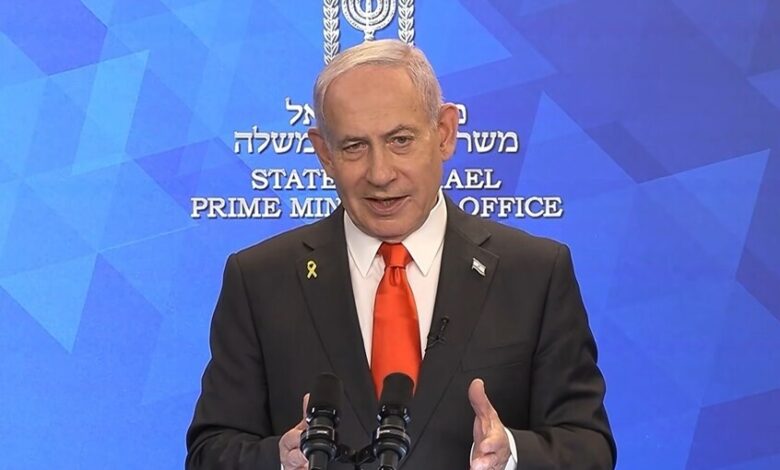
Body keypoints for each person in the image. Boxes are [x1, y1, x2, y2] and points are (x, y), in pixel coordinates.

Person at [186, 39, 616, 469]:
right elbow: (210, 452)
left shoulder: (534, 274)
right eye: (354, 146)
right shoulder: (260, 279)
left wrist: (512, 455)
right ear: (324, 154)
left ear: (444, 133)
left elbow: (588, 447)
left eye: (400, 140)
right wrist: (279, 461)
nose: (380, 173)